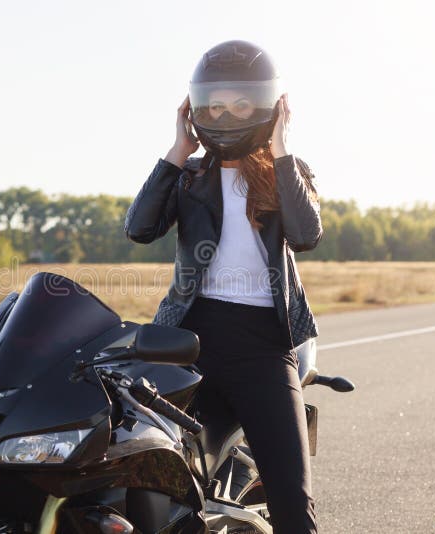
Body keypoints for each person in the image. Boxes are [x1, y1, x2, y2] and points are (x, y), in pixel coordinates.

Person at [124, 40, 321, 532]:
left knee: (293, 504)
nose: (227, 115)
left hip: (264, 347)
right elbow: (140, 228)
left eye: (240, 104)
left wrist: (281, 150)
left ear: (269, 107)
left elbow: (305, 234)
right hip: (189, 342)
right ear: (195, 108)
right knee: (155, 482)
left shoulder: (288, 175)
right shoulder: (188, 176)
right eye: (215, 105)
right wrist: (176, 150)